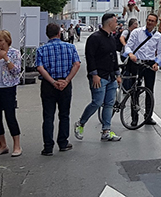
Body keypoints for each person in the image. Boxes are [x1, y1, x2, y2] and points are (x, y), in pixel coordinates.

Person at [74, 12, 123, 142]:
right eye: (115, 21)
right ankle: (81, 123)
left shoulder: (111, 38)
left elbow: (114, 57)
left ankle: (106, 130)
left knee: (109, 104)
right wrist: (94, 74)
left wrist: (117, 74)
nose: (117, 24)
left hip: (111, 76)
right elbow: (90, 57)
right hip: (99, 76)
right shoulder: (95, 38)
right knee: (97, 102)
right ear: (109, 22)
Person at [36, 23, 81, 156]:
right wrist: (66, 80)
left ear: (47, 34)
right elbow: (77, 64)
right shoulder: (70, 47)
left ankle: (48, 147)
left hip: (48, 84)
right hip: (65, 83)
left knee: (48, 116)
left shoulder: (42, 49)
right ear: (59, 33)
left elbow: (40, 67)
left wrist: (52, 81)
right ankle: (63, 142)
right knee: (64, 115)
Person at [123, 12, 161, 125]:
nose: (150, 22)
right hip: (136, 62)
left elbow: (160, 52)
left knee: (149, 90)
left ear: (156, 23)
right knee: (134, 90)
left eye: (152, 21)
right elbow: (128, 45)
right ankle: (134, 118)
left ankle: (148, 117)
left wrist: (157, 63)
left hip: (149, 64)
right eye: (148, 20)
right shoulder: (137, 32)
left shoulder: (158, 35)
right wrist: (130, 54)